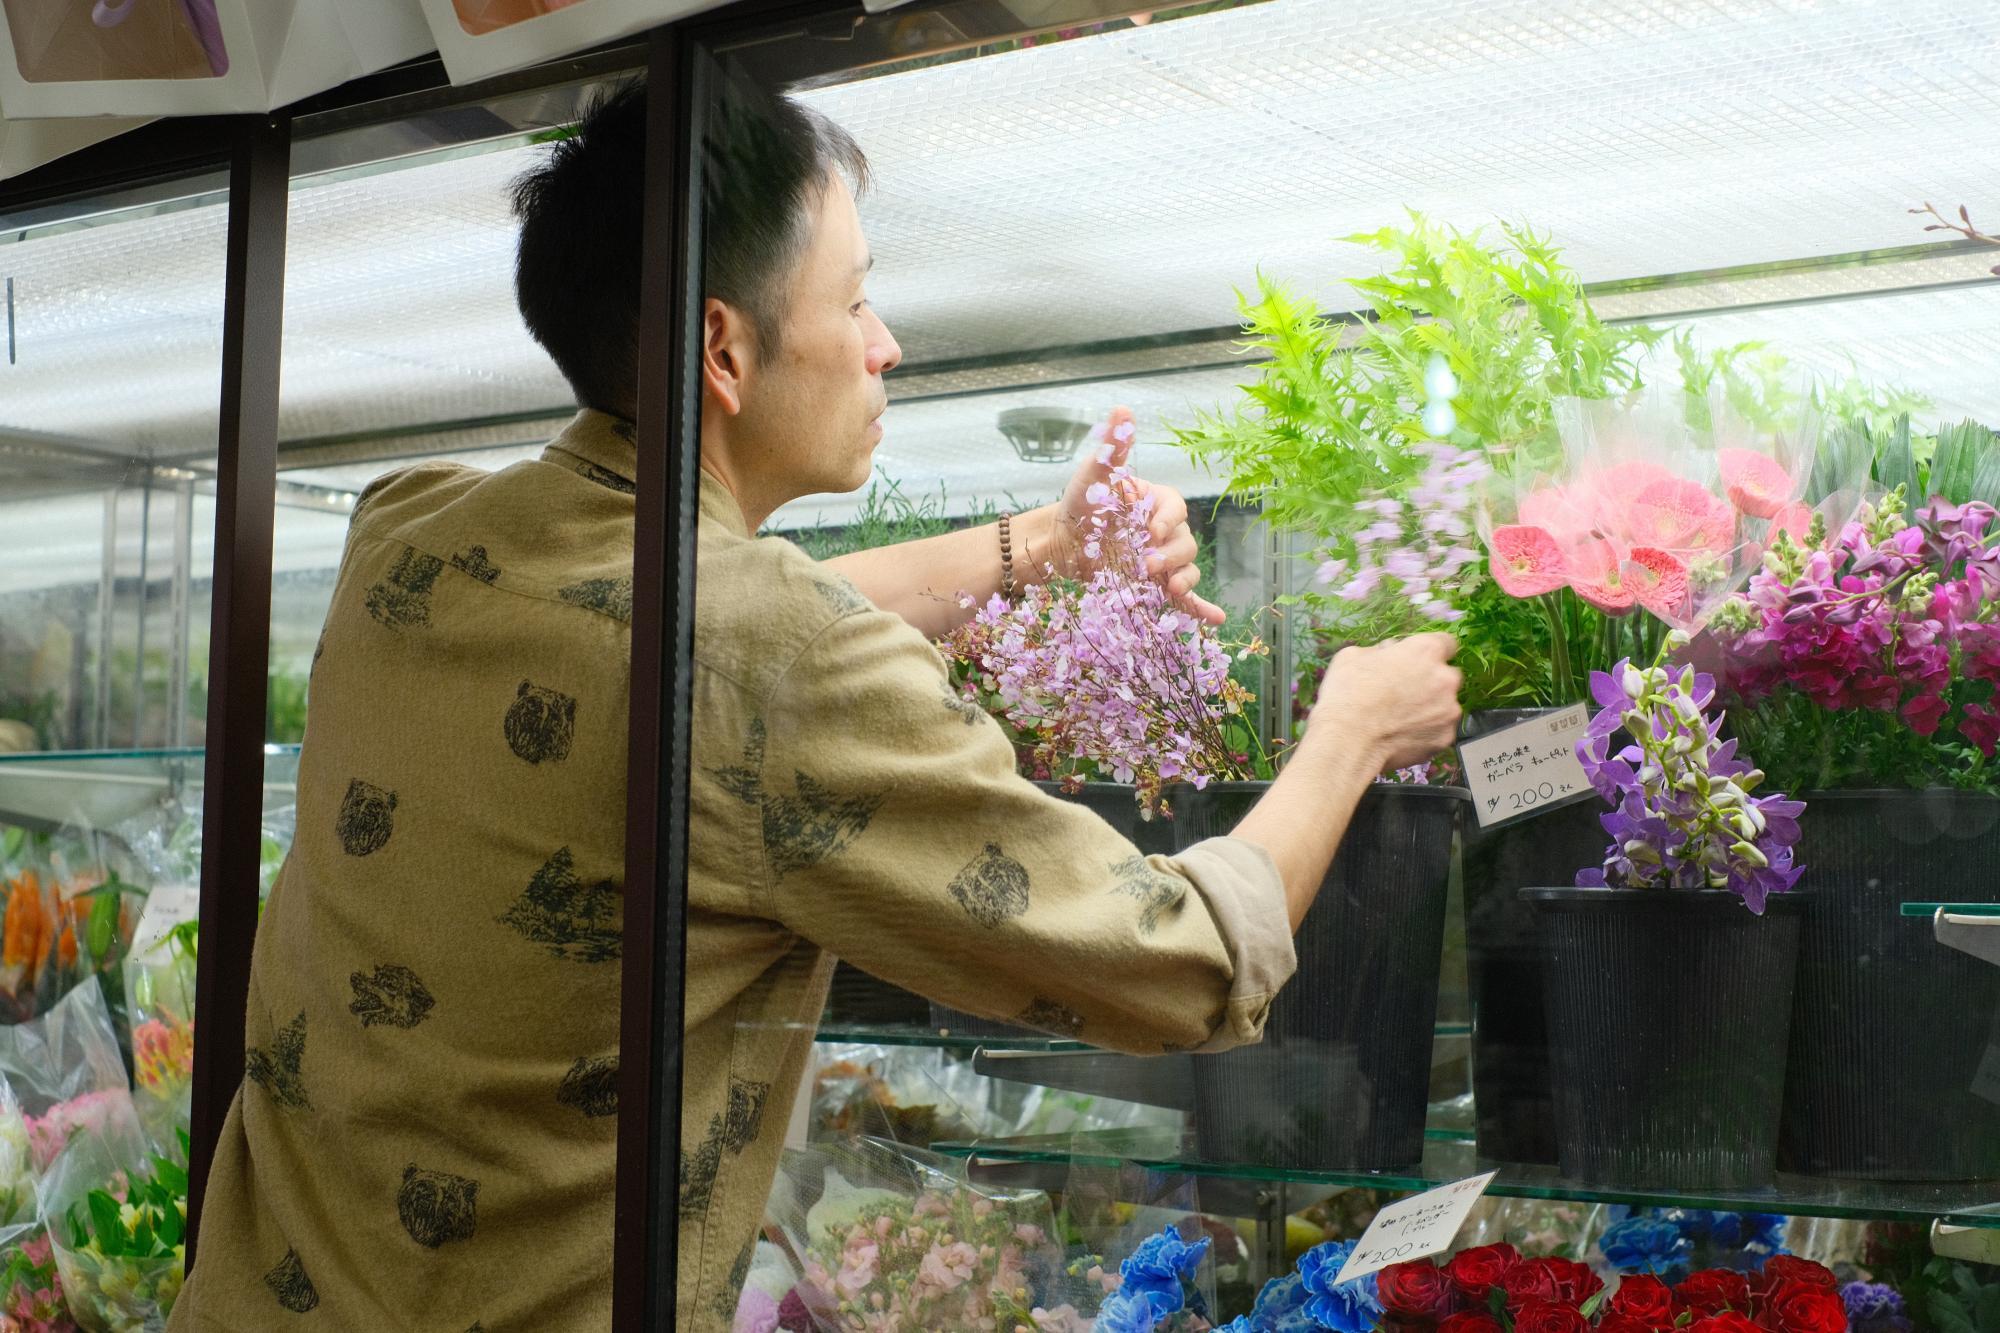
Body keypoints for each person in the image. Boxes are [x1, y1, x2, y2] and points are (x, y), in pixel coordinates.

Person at [170, 78, 1461, 1331]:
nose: (886, 342)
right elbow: (1176, 967)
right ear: (725, 350)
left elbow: (700, 629)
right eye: (857, 299)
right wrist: (1352, 730)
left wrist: (1047, 544)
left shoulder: (409, 527)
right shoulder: (767, 662)